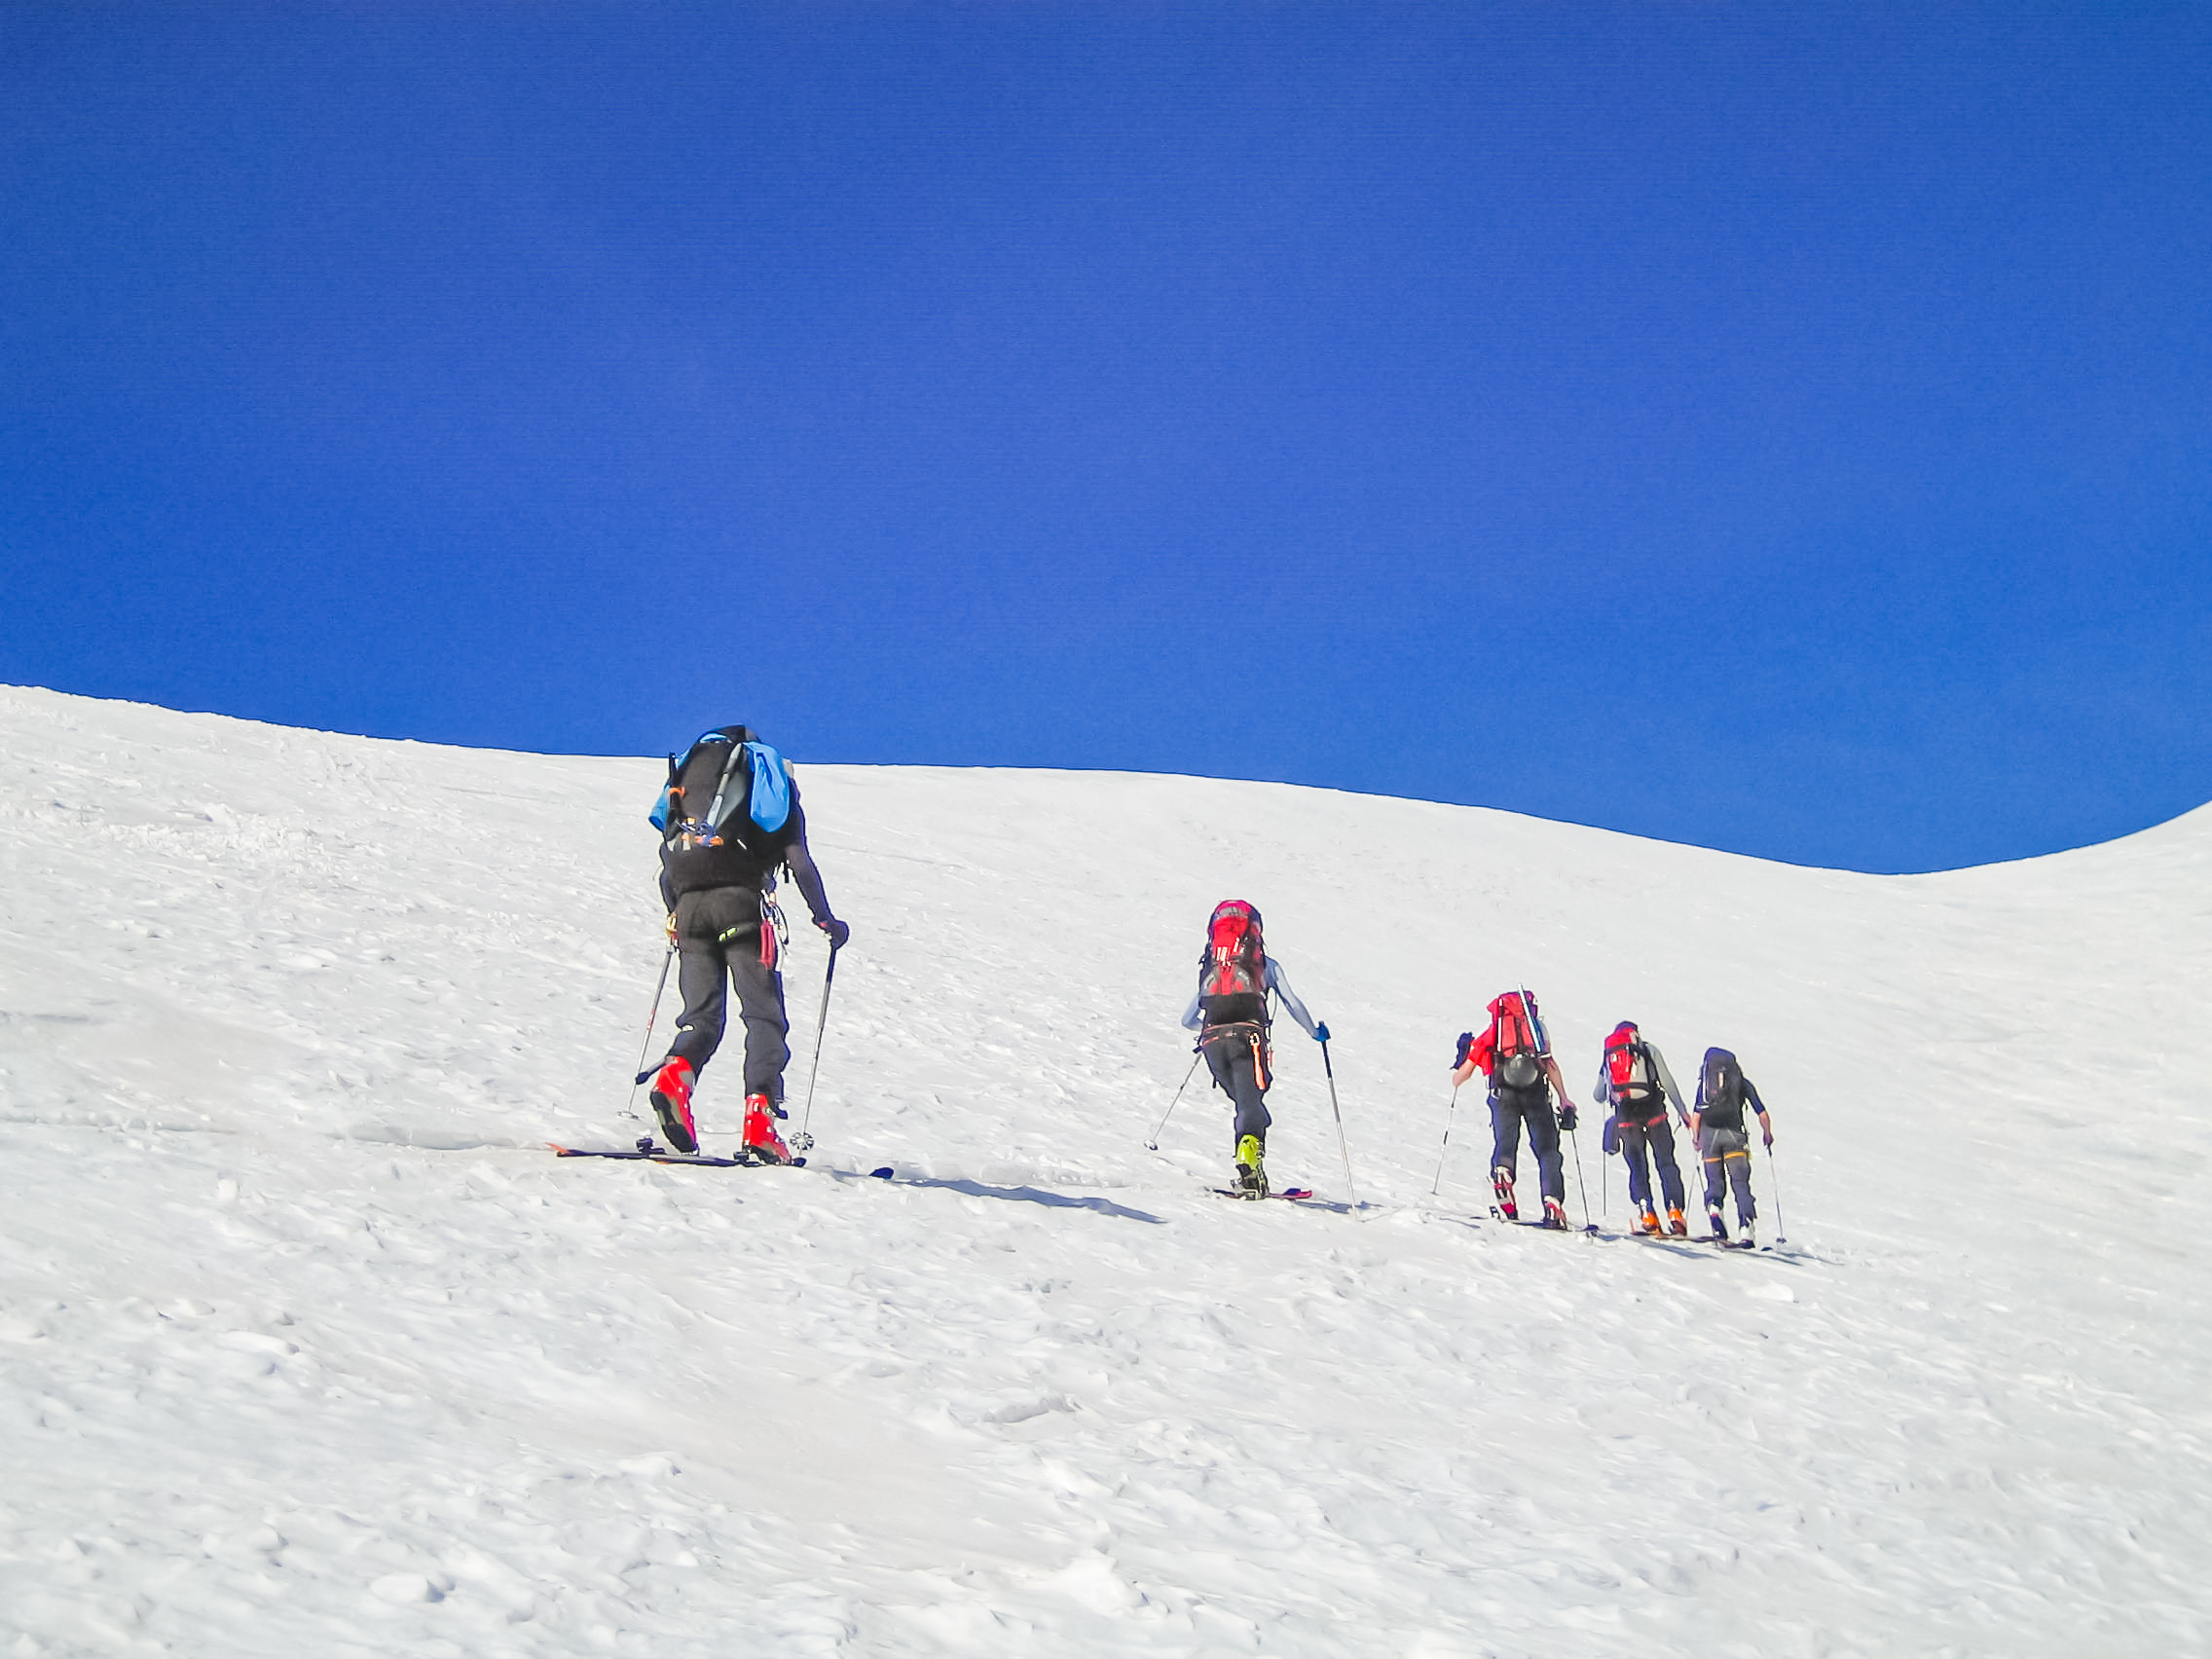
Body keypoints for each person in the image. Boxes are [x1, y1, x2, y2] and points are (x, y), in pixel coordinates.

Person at [643, 725, 848, 1161]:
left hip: (690, 910)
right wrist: (826, 918)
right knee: (763, 1017)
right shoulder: (771, 785)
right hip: (743, 909)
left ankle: (674, 1080)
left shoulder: (690, 788)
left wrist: (675, 912)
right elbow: (798, 860)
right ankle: (760, 1123)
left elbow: (666, 872)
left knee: (700, 1018)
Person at [1179, 900, 1327, 1198]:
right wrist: (1316, 1033)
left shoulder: (1211, 964)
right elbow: (1292, 1003)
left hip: (1211, 1045)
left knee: (1246, 1105)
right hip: (1248, 1041)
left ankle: (1250, 1167)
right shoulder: (1263, 964)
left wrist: (1209, 1030)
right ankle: (1250, 1168)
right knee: (1251, 1106)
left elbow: (1186, 1020)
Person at [1451, 990, 1574, 1230]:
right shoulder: (1537, 1028)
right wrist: (1564, 1098)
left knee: (1506, 1142)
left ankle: (1503, 1172)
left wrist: (1455, 1078)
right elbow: (1549, 1063)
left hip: (1503, 1093)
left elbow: (1464, 1073)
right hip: (1536, 1093)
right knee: (1548, 1149)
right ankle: (1552, 1201)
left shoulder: (1494, 1030)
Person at [1593, 1021, 1693, 1236]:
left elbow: (1598, 1095)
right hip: (1655, 1112)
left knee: (1638, 1166)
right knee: (1666, 1163)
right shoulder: (1648, 1050)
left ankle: (1647, 1212)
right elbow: (1667, 1081)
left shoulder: (1610, 1055)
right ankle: (1675, 1211)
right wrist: (1683, 1113)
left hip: (1627, 1118)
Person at [1688, 1047, 1774, 1243]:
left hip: (1710, 1138)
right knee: (1741, 1185)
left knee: (1715, 1182)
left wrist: (1696, 1137)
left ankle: (1715, 1211)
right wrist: (1767, 1134)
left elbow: (1697, 1114)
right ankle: (1746, 1227)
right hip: (1735, 1136)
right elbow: (1762, 1112)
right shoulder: (1741, 1083)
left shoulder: (1706, 1084)